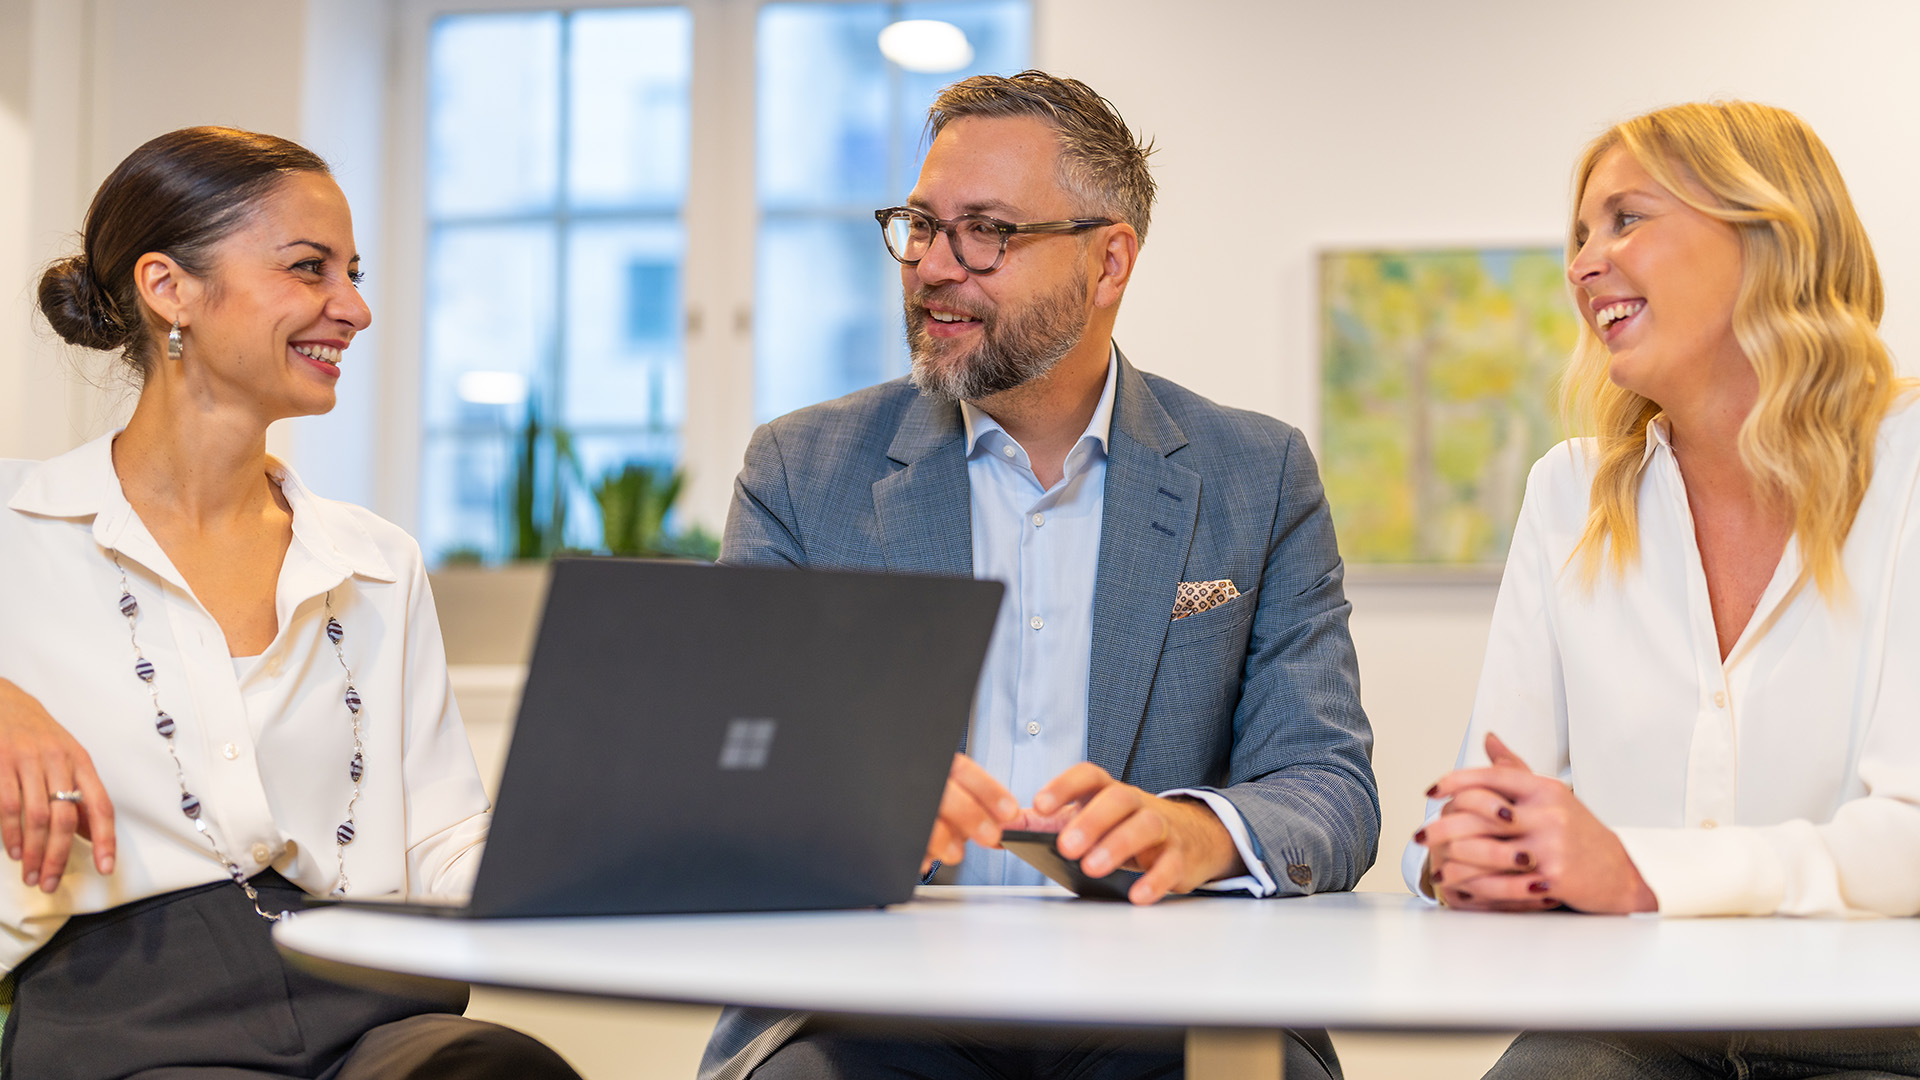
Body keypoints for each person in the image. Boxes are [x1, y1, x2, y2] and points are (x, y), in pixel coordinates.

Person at [701, 71, 1378, 1080]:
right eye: (921, 226)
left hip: (1170, 994)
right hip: (870, 1001)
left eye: (986, 232)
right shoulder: (802, 471)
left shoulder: (1257, 474)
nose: (933, 267)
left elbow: (1330, 786)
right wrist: (850, 805)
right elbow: (721, 768)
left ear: (1110, 262)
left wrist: (1196, 831)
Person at [0, 127, 581, 1079]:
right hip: (130, 1022)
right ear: (168, 288)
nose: (354, 308)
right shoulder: (16, 525)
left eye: (353, 273)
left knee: (499, 1067)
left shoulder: (379, 561)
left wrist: (599, 850)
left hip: (375, 1003)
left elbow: (444, 843)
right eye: (310, 268)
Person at [1405, 101, 1920, 1077]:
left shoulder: (1911, 468)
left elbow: (1911, 837)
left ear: (1769, 236)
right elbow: (1489, 796)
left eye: (1627, 219)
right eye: (1580, 235)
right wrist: (1468, 853)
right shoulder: (1568, 491)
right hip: (1629, 1016)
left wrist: (1636, 869)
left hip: (1877, 1026)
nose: (1583, 264)